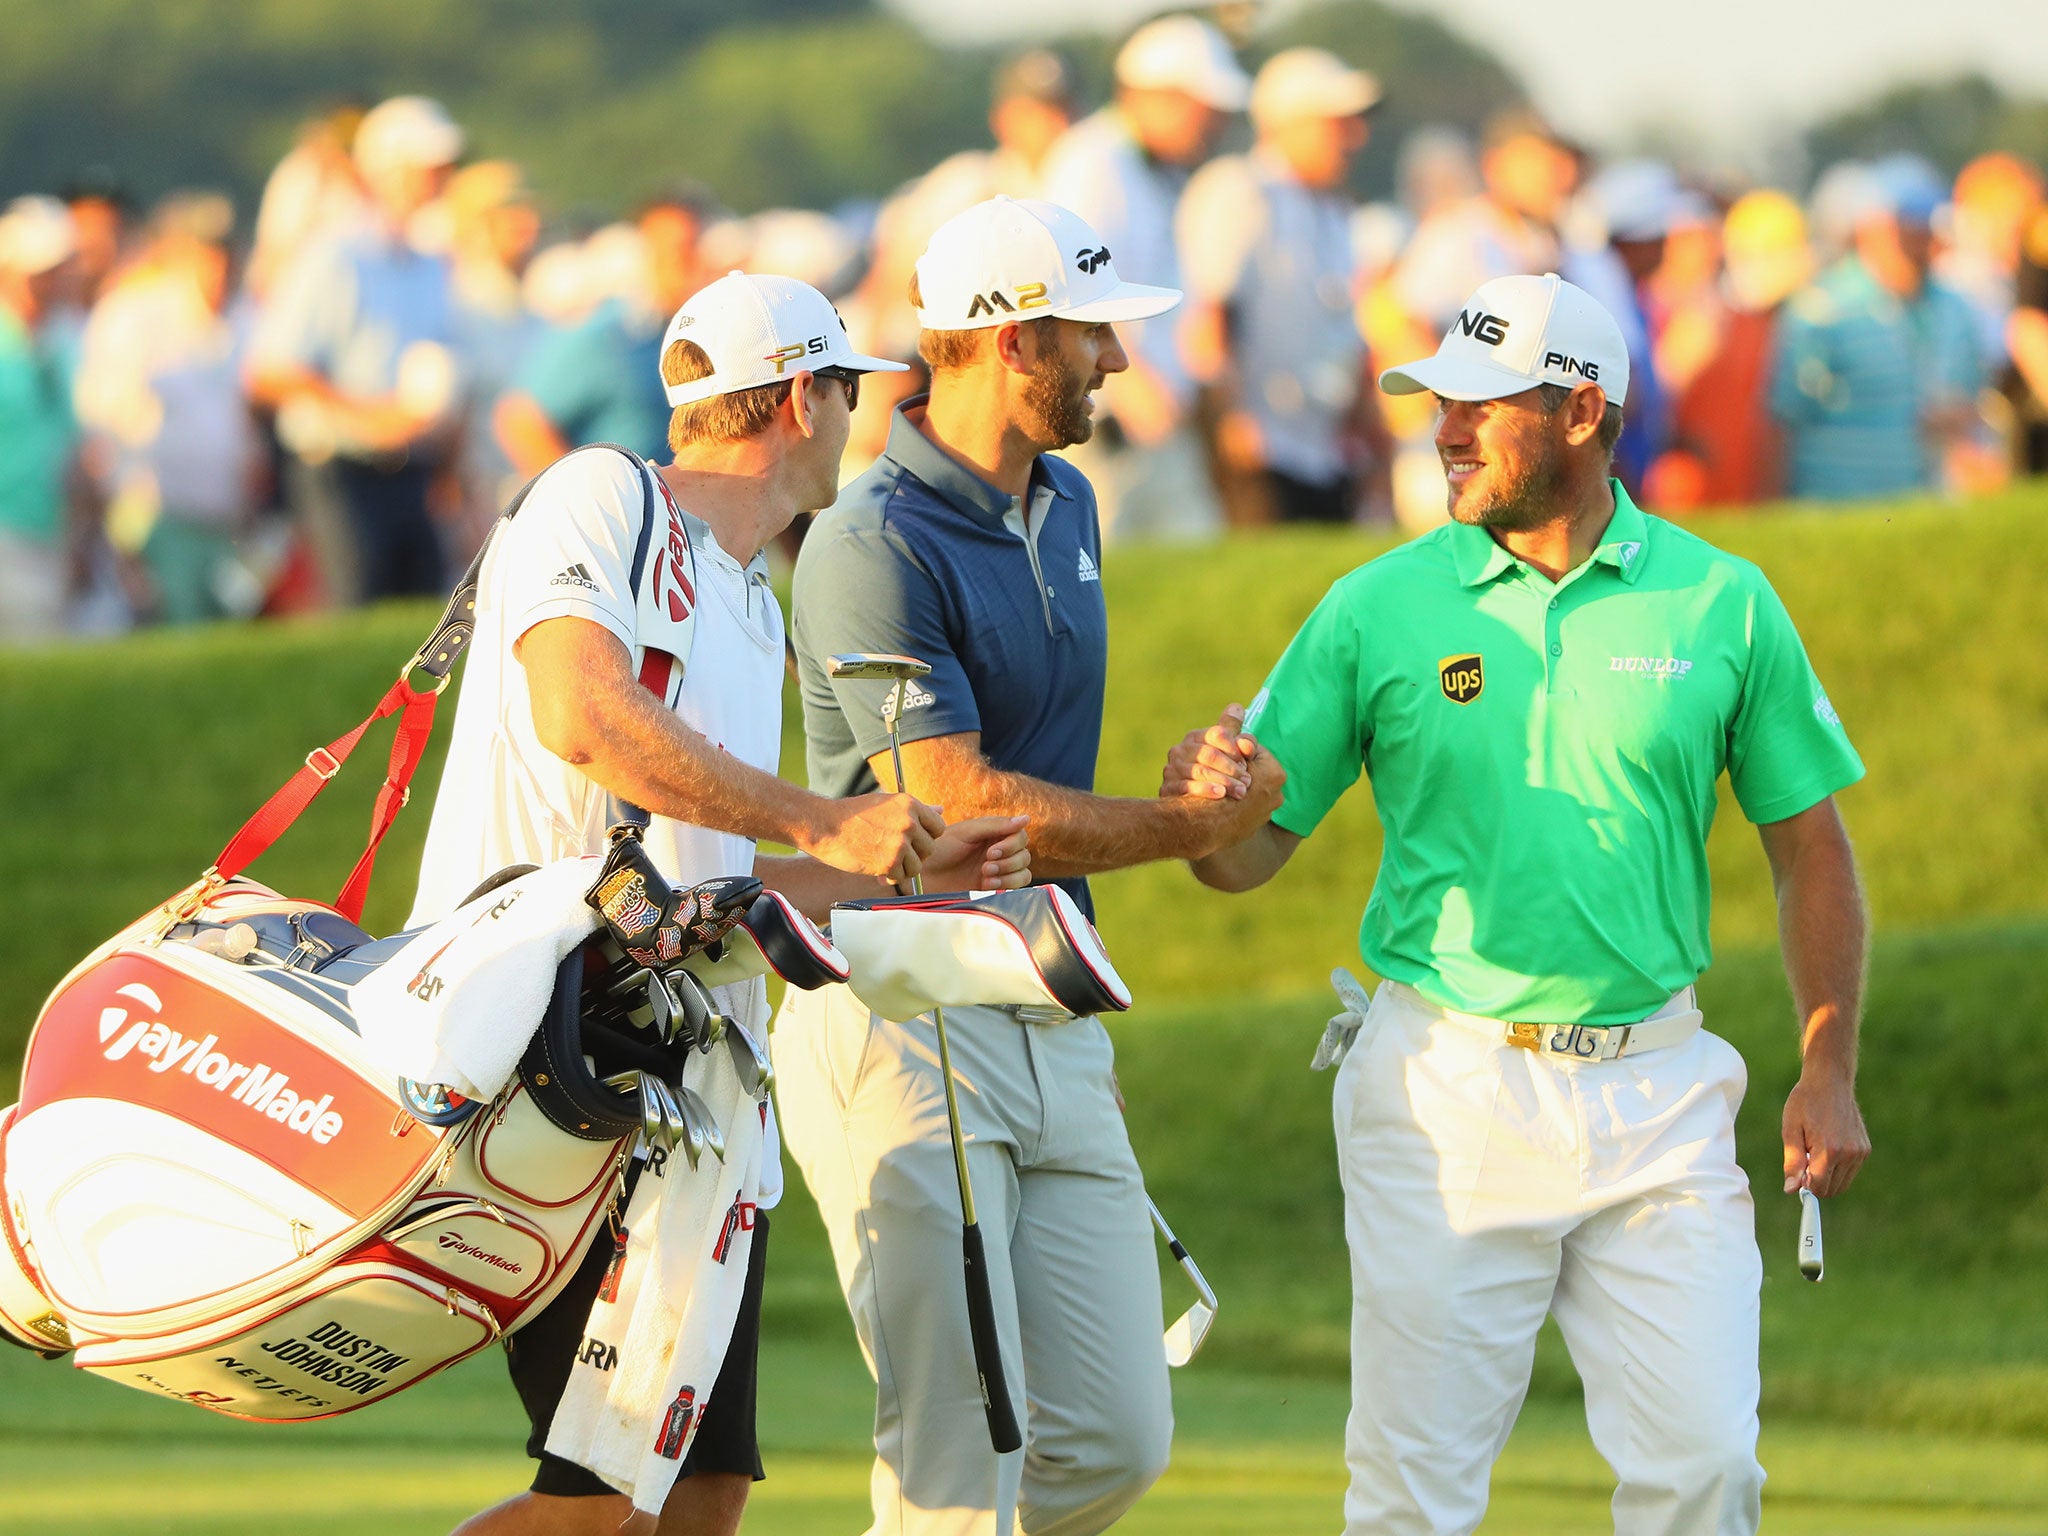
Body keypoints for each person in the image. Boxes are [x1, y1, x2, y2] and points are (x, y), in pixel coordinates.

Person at [1165, 273, 1871, 1536]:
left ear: (1582, 411)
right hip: (1446, 1088)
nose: (1444, 430)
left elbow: (1809, 844)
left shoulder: (1720, 600)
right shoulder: (1375, 606)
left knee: (1708, 1472)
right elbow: (1245, 852)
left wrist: (1828, 1058)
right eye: (1439, 403)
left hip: (1658, 1092)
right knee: (1412, 1500)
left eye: (1480, 406)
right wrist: (1199, 817)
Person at [410, 269, 1031, 1536]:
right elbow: (580, 713)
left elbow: (718, 877)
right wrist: (817, 814)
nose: (860, 419)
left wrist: (901, 860)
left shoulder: (752, 597)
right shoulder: (599, 494)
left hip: (687, 1089)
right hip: (558, 1055)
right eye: (851, 392)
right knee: (600, 1507)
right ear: (803, 398)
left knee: (701, 1495)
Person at [774, 196, 1283, 1536]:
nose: (1117, 360)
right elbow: (955, 803)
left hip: (1051, 1008)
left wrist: (1180, 800)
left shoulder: (1064, 502)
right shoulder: (869, 538)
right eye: (1095, 331)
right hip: (903, 1013)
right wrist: (1184, 830)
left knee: (1114, 1441)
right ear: (1009, 340)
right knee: (957, 1461)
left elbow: (1041, 790)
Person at [247, 94, 465, 605]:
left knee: (419, 623)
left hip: (411, 471)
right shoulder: (333, 255)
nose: (441, 178)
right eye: (427, 167)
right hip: (338, 470)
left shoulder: (429, 265)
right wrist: (371, 417)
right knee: (353, 606)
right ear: (387, 171)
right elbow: (270, 371)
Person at [1040, 14, 1247, 542]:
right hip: (1112, 425)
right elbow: (1075, 287)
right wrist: (1139, 394)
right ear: (1155, 95)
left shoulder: (1155, 170)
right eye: (1202, 109)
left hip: (1157, 421)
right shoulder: (1093, 161)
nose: (1213, 124)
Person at [1177, 46, 1386, 526]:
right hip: (1260, 444)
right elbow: (1208, 317)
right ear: (1285, 124)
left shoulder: (1335, 211)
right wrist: (1229, 419)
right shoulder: (1240, 191)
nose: (1355, 137)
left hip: (1328, 450)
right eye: (1336, 123)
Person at [73, 190, 263, 624]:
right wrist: (121, 528)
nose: (216, 267)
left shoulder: (245, 318)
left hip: (227, 520)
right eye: (202, 254)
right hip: (154, 520)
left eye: (222, 253)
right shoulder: (134, 315)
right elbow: (100, 425)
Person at [1770, 160, 1983, 501]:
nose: (1924, 236)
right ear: (1872, 229)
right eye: (1911, 225)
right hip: (1835, 511)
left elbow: (1972, 399)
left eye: (1929, 225)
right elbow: (1783, 420)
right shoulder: (1821, 307)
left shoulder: (1956, 307)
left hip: (1927, 504)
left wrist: (1960, 419)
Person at [492, 186, 717, 480]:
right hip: (623, 515)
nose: (695, 267)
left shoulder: (707, 338)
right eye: (681, 252)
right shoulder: (608, 333)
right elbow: (520, 420)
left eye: (700, 251)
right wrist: (580, 500)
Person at [0, 195, 82, 644]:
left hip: (49, 530)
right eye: (41, 272)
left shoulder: (63, 340)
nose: (52, 282)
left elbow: (69, 445)